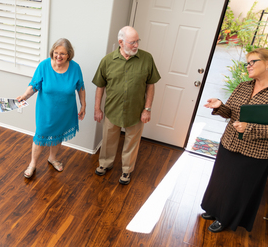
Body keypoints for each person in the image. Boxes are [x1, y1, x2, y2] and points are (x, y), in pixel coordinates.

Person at [200, 48, 268, 233]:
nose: (248, 66)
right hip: (229, 143)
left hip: (255, 153)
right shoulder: (243, 86)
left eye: (253, 62)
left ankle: (225, 218)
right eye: (247, 63)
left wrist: (250, 128)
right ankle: (214, 209)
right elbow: (232, 113)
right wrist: (220, 106)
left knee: (237, 187)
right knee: (221, 180)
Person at [92, 26, 161, 185]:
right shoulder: (108, 60)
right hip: (112, 110)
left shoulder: (147, 58)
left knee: (132, 142)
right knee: (108, 139)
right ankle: (105, 164)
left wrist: (147, 109)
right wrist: (97, 109)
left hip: (136, 111)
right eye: (132, 42)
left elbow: (151, 85)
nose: (136, 45)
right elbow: (100, 86)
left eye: (137, 41)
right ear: (121, 42)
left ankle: (126, 171)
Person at [17, 38, 86, 179]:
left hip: (65, 110)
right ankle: (33, 164)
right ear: (52, 52)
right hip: (46, 111)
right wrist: (24, 95)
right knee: (40, 136)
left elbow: (80, 87)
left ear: (69, 55)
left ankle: (52, 158)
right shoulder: (44, 66)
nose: (58, 56)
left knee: (58, 134)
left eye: (63, 53)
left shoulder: (75, 68)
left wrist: (83, 104)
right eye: (56, 53)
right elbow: (34, 85)